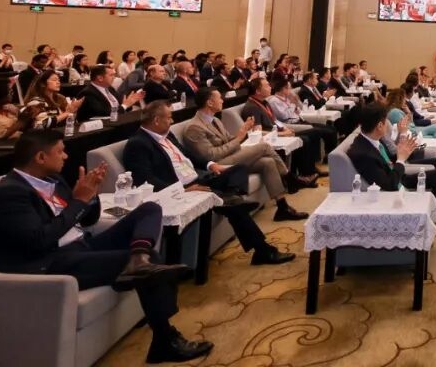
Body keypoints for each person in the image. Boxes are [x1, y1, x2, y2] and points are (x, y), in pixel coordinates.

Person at [0, 130, 211, 363]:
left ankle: (138, 258)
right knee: (152, 260)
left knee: (150, 210)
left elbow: (88, 220)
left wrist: (92, 195)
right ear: (40, 157)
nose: (66, 156)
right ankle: (165, 341)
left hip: (81, 245)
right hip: (51, 261)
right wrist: (79, 201)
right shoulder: (10, 193)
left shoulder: (53, 180)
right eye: (60, 151)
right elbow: (39, 241)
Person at [123, 101, 295, 265]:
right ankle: (261, 247)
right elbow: (146, 180)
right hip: (182, 189)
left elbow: (188, 156)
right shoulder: (138, 144)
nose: (172, 121)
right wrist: (184, 189)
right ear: (156, 120)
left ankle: (231, 199)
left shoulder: (167, 135)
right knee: (235, 208)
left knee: (238, 169)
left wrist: (211, 165)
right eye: (169, 118)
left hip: (200, 178)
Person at [349, 103, 436, 252]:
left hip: (396, 175)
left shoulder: (372, 140)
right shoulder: (363, 154)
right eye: (385, 122)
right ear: (380, 126)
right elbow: (390, 185)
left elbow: (391, 157)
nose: (388, 126)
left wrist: (403, 147)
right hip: (394, 188)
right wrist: (401, 159)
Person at [181, 88, 308, 221]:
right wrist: (239, 138)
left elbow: (230, 140)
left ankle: (282, 207)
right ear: (210, 103)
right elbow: (211, 156)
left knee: (268, 162)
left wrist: (243, 130)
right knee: (264, 147)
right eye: (219, 98)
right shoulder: (194, 127)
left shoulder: (215, 120)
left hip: (229, 156)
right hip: (217, 165)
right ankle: (290, 178)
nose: (222, 100)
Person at [241, 77, 323, 187]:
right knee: (304, 139)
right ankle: (303, 176)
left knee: (311, 134)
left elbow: (275, 120)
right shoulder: (252, 107)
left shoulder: (264, 102)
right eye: (267, 85)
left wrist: (285, 129)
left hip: (277, 132)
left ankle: (308, 172)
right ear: (258, 91)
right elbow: (258, 132)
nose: (270, 87)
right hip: (271, 138)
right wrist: (282, 134)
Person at [76, 65, 144, 123]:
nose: (114, 77)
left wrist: (129, 103)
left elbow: (121, 106)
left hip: (116, 121)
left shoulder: (110, 88)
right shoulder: (88, 93)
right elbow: (104, 113)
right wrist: (125, 105)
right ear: (100, 78)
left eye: (114, 75)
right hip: (98, 127)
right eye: (111, 75)